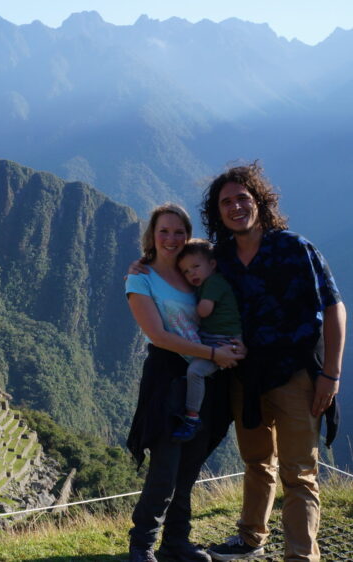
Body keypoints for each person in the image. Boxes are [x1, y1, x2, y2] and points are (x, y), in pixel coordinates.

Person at [202, 163, 345, 562]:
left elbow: (334, 309)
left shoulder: (294, 248)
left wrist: (330, 375)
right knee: (256, 462)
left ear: (260, 202)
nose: (235, 207)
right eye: (226, 202)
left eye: (242, 198)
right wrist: (142, 268)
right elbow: (180, 273)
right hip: (245, 378)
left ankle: (301, 556)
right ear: (218, 213)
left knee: (298, 473)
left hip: (296, 375)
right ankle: (251, 537)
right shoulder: (220, 259)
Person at [125, 204, 244, 562]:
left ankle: (176, 541)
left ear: (188, 236)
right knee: (165, 469)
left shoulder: (194, 273)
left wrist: (234, 345)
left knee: (189, 467)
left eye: (179, 232)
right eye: (164, 231)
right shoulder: (140, 278)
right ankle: (142, 545)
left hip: (206, 380)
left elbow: (224, 308)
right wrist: (212, 355)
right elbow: (158, 335)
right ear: (152, 234)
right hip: (169, 379)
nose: (171, 238)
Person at [172, 239, 243, 442]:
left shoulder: (213, 283)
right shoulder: (210, 282)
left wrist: (180, 309)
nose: (191, 274)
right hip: (218, 340)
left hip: (222, 344)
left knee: (194, 372)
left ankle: (192, 418)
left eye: (196, 267)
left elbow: (204, 311)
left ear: (212, 264)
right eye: (185, 271)